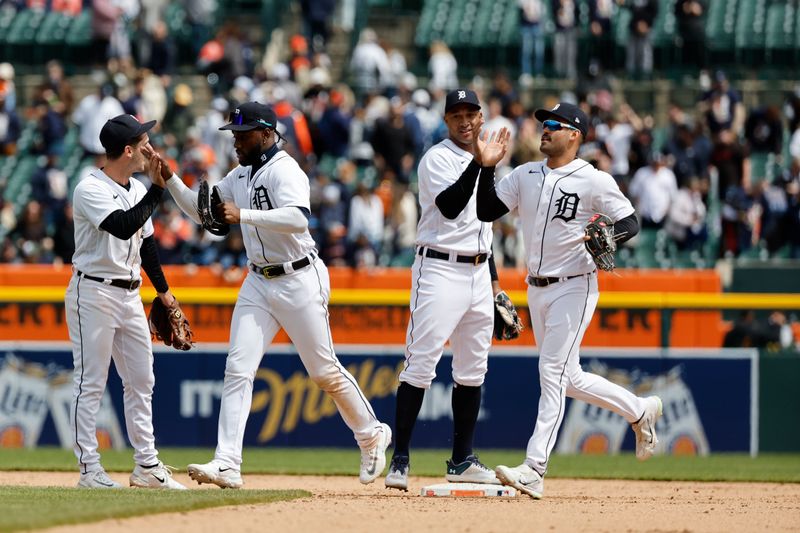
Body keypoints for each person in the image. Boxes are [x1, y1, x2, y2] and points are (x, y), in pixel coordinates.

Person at [159, 102, 391, 489]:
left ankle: (371, 434)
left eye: (243, 133)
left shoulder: (285, 169)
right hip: (258, 281)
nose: (236, 139)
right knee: (238, 367)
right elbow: (205, 212)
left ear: (267, 134)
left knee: (323, 372)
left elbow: (299, 217)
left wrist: (244, 215)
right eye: (233, 133)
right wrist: (169, 180)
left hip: (299, 276)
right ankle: (228, 463)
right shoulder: (240, 174)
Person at [475, 102, 663, 499]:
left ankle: (535, 467)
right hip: (536, 288)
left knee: (552, 375)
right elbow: (486, 209)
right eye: (543, 122)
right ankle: (640, 410)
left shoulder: (593, 180)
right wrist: (487, 166)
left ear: (574, 135)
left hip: (575, 286)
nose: (544, 128)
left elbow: (631, 221)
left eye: (553, 124)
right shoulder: (525, 174)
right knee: (569, 378)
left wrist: (609, 236)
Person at [384, 89, 511, 491]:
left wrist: (494, 288)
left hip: (477, 272)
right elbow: (453, 206)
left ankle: (462, 459)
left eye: (471, 113)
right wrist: (481, 164)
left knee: (473, 370)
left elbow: (484, 226)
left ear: (481, 116)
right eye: (456, 115)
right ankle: (400, 459)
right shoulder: (436, 158)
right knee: (421, 365)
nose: (465, 121)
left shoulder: (486, 160)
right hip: (438, 268)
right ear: (445, 121)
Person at [64, 114, 186, 490]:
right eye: (144, 140)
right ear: (129, 150)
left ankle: (146, 465)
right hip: (94, 291)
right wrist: (158, 189)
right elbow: (122, 225)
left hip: (130, 292)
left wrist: (164, 293)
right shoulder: (90, 188)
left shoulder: (134, 187)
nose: (150, 146)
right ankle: (89, 469)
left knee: (141, 379)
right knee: (91, 383)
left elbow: (147, 245)